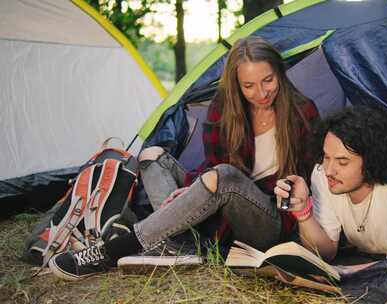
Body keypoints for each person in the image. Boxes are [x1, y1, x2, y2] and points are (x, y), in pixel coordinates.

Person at [48, 36, 319, 281]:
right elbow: (213, 168)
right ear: (236, 85)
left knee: (222, 176)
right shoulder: (223, 111)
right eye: (249, 85)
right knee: (151, 156)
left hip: (267, 219)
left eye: (268, 80)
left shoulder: (301, 112)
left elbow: (303, 182)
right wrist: (193, 189)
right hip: (220, 208)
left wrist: (203, 186)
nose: (261, 93)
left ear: (280, 73)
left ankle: (113, 250)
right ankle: (181, 247)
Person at [274, 106, 387, 278]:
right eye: (326, 157)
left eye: (342, 162)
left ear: (371, 161)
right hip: (369, 259)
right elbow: (326, 252)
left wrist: (344, 273)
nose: (329, 170)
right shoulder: (322, 174)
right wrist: (303, 213)